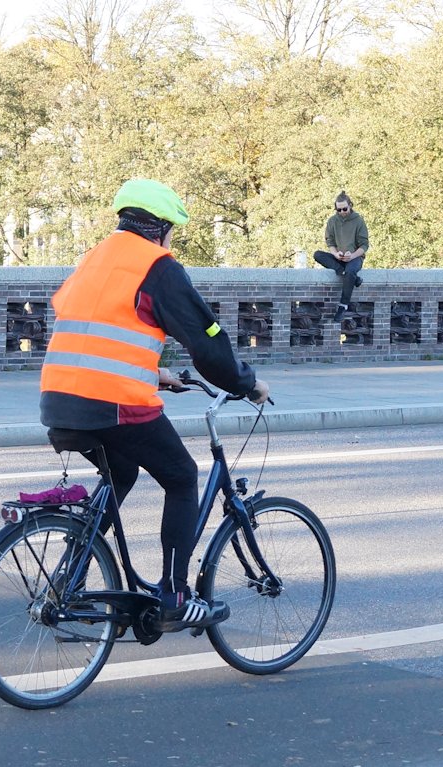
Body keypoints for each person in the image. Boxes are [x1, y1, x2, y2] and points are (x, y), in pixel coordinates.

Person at [40, 178, 270, 632]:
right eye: (173, 233)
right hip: (112, 404)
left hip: (58, 398)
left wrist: (153, 373)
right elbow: (208, 345)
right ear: (162, 229)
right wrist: (246, 383)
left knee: (121, 472)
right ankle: (174, 598)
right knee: (182, 477)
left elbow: (94, 330)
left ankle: (69, 577)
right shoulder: (158, 266)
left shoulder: (94, 259)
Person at [312, 191, 369, 321]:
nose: (342, 211)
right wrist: (335, 253)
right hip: (339, 258)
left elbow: (364, 245)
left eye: (345, 208)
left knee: (350, 271)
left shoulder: (358, 221)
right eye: (339, 209)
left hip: (355, 258)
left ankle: (343, 306)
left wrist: (353, 255)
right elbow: (330, 242)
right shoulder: (332, 221)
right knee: (318, 255)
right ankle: (349, 276)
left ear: (350, 205)